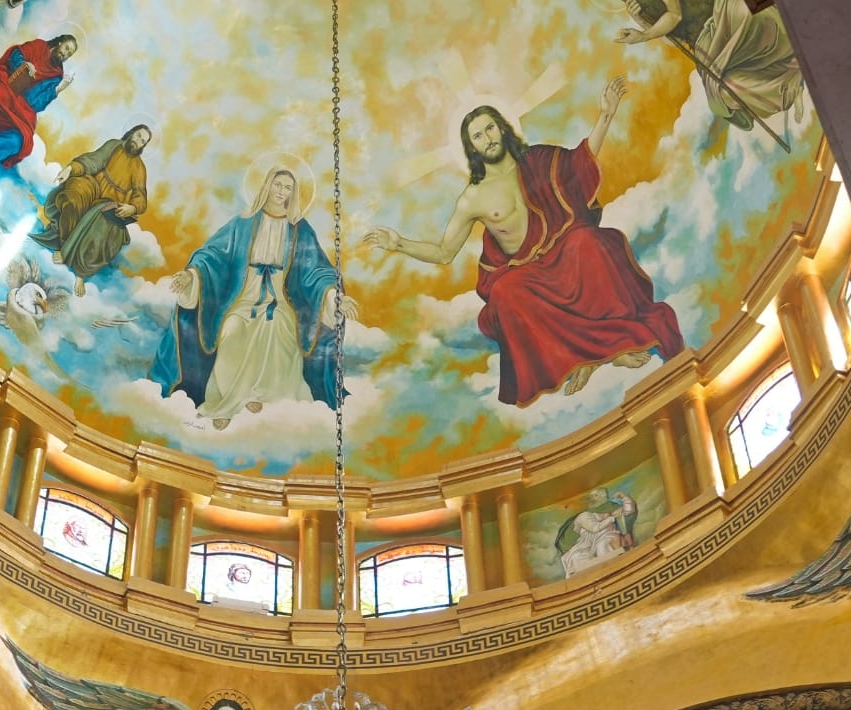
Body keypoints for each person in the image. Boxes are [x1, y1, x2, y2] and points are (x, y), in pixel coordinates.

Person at [363, 80, 686, 407]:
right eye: (478, 136)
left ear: (503, 129)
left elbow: (578, 163)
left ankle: (612, 349)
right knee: (506, 294)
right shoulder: (472, 198)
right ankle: (587, 358)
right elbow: (445, 252)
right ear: (471, 148)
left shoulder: (537, 159)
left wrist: (605, 115)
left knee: (589, 242)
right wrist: (399, 243)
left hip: (565, 250)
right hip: (528, 274)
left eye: (490, 129)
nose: (487, 139)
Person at [150, 169, 352, 429]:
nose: (281, 191)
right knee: (232, 332)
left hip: (279, 298)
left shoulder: (299, 229)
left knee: (280, 330)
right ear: (267, 186)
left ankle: (263, 395)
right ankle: (222, 403)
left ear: (294, 193)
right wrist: (192, 275)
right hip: (244, 296)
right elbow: (213, 254)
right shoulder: (244, 222)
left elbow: (317, 270)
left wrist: (336, 297)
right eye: (277, 184)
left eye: (288, 187)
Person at [615, 0, 801, 135]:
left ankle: (791, 58)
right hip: (704, 45)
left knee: (743, 13)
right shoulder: (636, 7)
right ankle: (787, 89)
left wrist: (644, 35)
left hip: (720, 16)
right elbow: (675, 40)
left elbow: (675, 14)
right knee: (730, 88)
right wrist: (641, 22)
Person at [33, 125, 152, 281]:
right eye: (138, 136)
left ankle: (69, 256)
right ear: (131, 133)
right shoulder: (114, 145)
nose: (139, 142)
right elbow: (94, 160)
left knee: (100, 216)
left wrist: (132, 207)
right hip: (94, 187)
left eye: (143, 142)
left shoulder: (139, 168)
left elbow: (141, 195)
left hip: (111, 202)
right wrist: (71, 169)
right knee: (75, 194)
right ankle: (64, 242)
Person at [0, 34, 78, 168]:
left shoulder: (57, 76)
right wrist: (23, 65)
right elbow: (16, 54)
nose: (66, 54)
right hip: (7, 83)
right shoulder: (40, 46)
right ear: (60, 43)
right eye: (67, 48)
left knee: (21, 142)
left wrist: (57, 90)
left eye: (70, 53)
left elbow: (35, 103)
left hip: (23, 108)